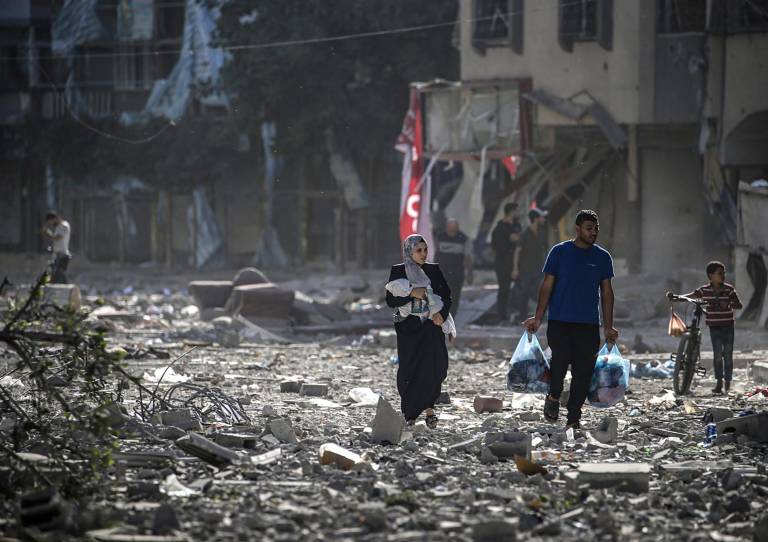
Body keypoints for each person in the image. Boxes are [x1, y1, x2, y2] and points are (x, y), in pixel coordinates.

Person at [523, 209, 618, 429]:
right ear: (577, 229)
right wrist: (538, 317)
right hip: (560, 321)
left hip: (588, 324)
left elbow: (607, 293)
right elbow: (547, 285)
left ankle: (574, 416)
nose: (593, 232)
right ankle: (554, 396)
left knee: (583, 373)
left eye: (596, 229)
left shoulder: (602, 257)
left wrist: (608, 326)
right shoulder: (559, 252)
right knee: (559, 363)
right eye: (589, 228)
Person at [386, 234, 452, 428]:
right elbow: (390, 301)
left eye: (425, 250)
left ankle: (429, 404)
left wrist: (442, 314)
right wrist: (410, 294)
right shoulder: (399, 271)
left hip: (432, 325)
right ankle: (413, 413)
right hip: (409, 328)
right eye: (418, 250)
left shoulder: (433, 270)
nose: (423, 254)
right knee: (410, 368)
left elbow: (447, 296)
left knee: (436, 367)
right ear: (409, 251)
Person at [667, 261, 743, 394]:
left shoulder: (729, 289)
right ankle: (719, 383)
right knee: (718, 355)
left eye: (723, 273)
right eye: (720, 273)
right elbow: (691, 296)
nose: (723, 275)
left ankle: (727, 383)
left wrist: (729, 305)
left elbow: (739, 305)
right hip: (714, 327)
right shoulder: (704, 290)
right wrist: (678, 297)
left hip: (728, 327)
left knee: (728, 355)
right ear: (711, 275)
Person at [513, 207, 549, 320]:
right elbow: (517, 252)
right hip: (526, 269)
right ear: (535, 219)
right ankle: (522, 316)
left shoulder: (542, 233)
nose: (544, 220)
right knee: (525, 293)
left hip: (539, 268)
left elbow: (545, 250)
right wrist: (515, 269)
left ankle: (540, 316)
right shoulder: (524, 234)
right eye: (542, 217)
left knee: (541, 293)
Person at [435, 218, 472, 316]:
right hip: (443, 272)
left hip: (457, 272)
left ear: (457, 228)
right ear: (446, 227)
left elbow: (467, 257)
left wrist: (469, 273)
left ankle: (451, 317)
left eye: (453, 227)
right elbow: (436, 254)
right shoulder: (440, 237)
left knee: (454, 297)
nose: (451, 230)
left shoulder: (464, 239)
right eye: (449, 227)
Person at [491, 202, 521, 323]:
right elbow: (495, 246)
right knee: (504, 289)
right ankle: (502, 316)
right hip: (503, 263)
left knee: (520, 289)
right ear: (511, 212)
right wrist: (509, 239)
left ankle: (516, 313)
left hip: (518, 262)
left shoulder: (517, 225)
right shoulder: (500, 228)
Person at [42, 211, 71, 284]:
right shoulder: (59, 227)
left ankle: (69, 291)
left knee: (59, 274)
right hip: (57, 255)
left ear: (54, 219)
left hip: (62, 255)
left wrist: (47, 233)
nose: (51, 224)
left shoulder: (64, 226)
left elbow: (57, 238)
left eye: (50, 222)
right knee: (56, 276)